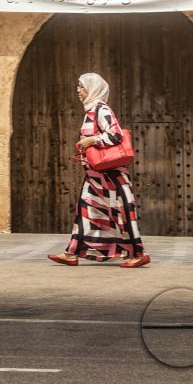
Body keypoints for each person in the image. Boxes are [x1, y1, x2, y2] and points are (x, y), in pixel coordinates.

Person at [47, 72, 151, 268]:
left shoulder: (101, 109)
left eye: (82, 87)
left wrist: (92, 140)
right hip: (95, 175)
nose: (78, 90)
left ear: (93, 89)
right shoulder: (90, 111)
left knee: (122, 212)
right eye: (78, 87)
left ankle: (138, 254)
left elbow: (116, 135)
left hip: (111, 175)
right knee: (85, 212)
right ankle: (72, 253)